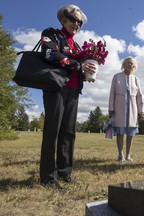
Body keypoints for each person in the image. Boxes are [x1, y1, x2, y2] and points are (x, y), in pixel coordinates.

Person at [39, 5, 97, 188]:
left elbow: (78, 67)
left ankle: (65, 173)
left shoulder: (78, 45)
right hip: (56, 88)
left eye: (80, 22)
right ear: (63, 18)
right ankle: (48, 177)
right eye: (73, 19)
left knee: (69, 133)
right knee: (52, 132)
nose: (77, 24)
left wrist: (86, 73)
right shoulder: (52, 34)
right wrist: (78, 66)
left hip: (73, 91)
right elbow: (50, 53)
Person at [108, 57, 144, 164]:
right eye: (127, 63)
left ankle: (128, 155)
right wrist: (111, 108)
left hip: (132, 108)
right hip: (119, 107)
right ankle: (121, 155)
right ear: (124, 64)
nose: (129, 64)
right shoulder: (117, 77)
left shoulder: (136, 79)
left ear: (134, 66)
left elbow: (139, 96)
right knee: (120, 133)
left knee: (130, 134)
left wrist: (141, 111)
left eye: (131, 63)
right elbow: (112, 93)